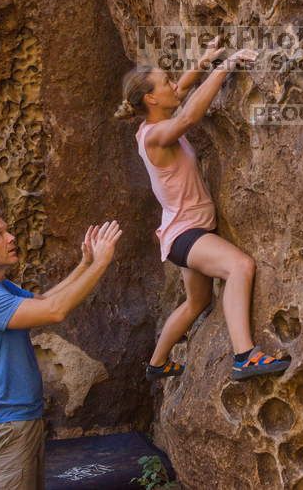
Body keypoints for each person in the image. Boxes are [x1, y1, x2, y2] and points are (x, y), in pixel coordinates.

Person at [114, 37, 290, 382]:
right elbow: (190, 115)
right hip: (187, 234)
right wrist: (226, 66)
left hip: (181, 233)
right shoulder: (155, 135)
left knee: (197, 302)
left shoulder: (150, 124)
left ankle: (158, 363)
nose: (172, 85)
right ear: (151, 98)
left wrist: (204, 60)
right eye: (163, 82)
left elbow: (180, 90)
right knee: (240, 266)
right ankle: (245, 356)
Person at [0, 207, 122, 489]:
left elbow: (44, 302)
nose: (10, 238)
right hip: (2, 429)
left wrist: (85, 264)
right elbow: (55, 312)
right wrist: (102, 264)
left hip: (20, 422)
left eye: (8, 230)